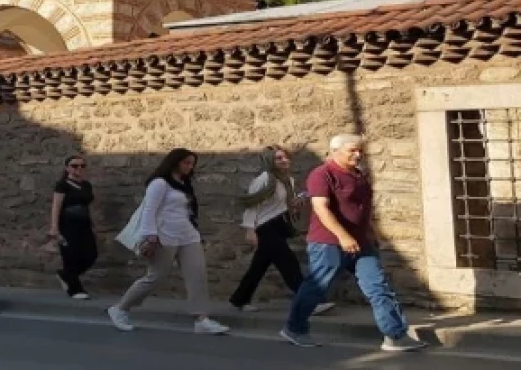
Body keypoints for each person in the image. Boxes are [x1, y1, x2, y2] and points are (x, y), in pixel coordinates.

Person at [280, 134, 426, 352]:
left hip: (360, 243)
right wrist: (343, 236)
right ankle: (295, 328)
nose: (358, 155)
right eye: (352, 151)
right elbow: (321, 208)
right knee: (316, 288)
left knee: (378, 287)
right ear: (334, 151)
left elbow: (364, 210)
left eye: (360, 151)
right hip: (328, 243)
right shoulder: (322, 175)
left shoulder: (359, 176)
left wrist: (372, 233)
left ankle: (395, 335)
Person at [108, 148, 229, 335]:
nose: (190, 167)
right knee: (155, 277)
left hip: (188, 235)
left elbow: (186, 211)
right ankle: (120, 309)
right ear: (174, 162)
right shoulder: (159, 183)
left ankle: (201, 319)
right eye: (186, 162)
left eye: (192, 163)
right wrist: (150, 235)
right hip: (164, 235)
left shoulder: (184, 184)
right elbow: (149, 210)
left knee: (197, 275)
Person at [229, 146, 334, 315]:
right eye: (278, 158)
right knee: (288, 263)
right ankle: (310, 303)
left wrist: (296, 203)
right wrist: (250, 230)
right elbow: (252, 206)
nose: (284, 160)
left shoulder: (287, 180)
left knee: (259, 266)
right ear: (270, 160)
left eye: (285, 157)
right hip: (264, 226)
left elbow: (282, 205)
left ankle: (240, 299)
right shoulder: (263, 179)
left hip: (279, 224)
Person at [48, 155, 98, 300]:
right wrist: (54, 228)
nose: (79, 168)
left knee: (91, 255)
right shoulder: (62, 185)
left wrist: (94, 225)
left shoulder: (86, 185)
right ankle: (75, 289)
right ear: (67, 168)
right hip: (68, 224)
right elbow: (56, 206)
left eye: (82, 166)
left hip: (84, 224)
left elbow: (90, 206)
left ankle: (65, 275)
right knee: (70, 255)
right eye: (75, 166)